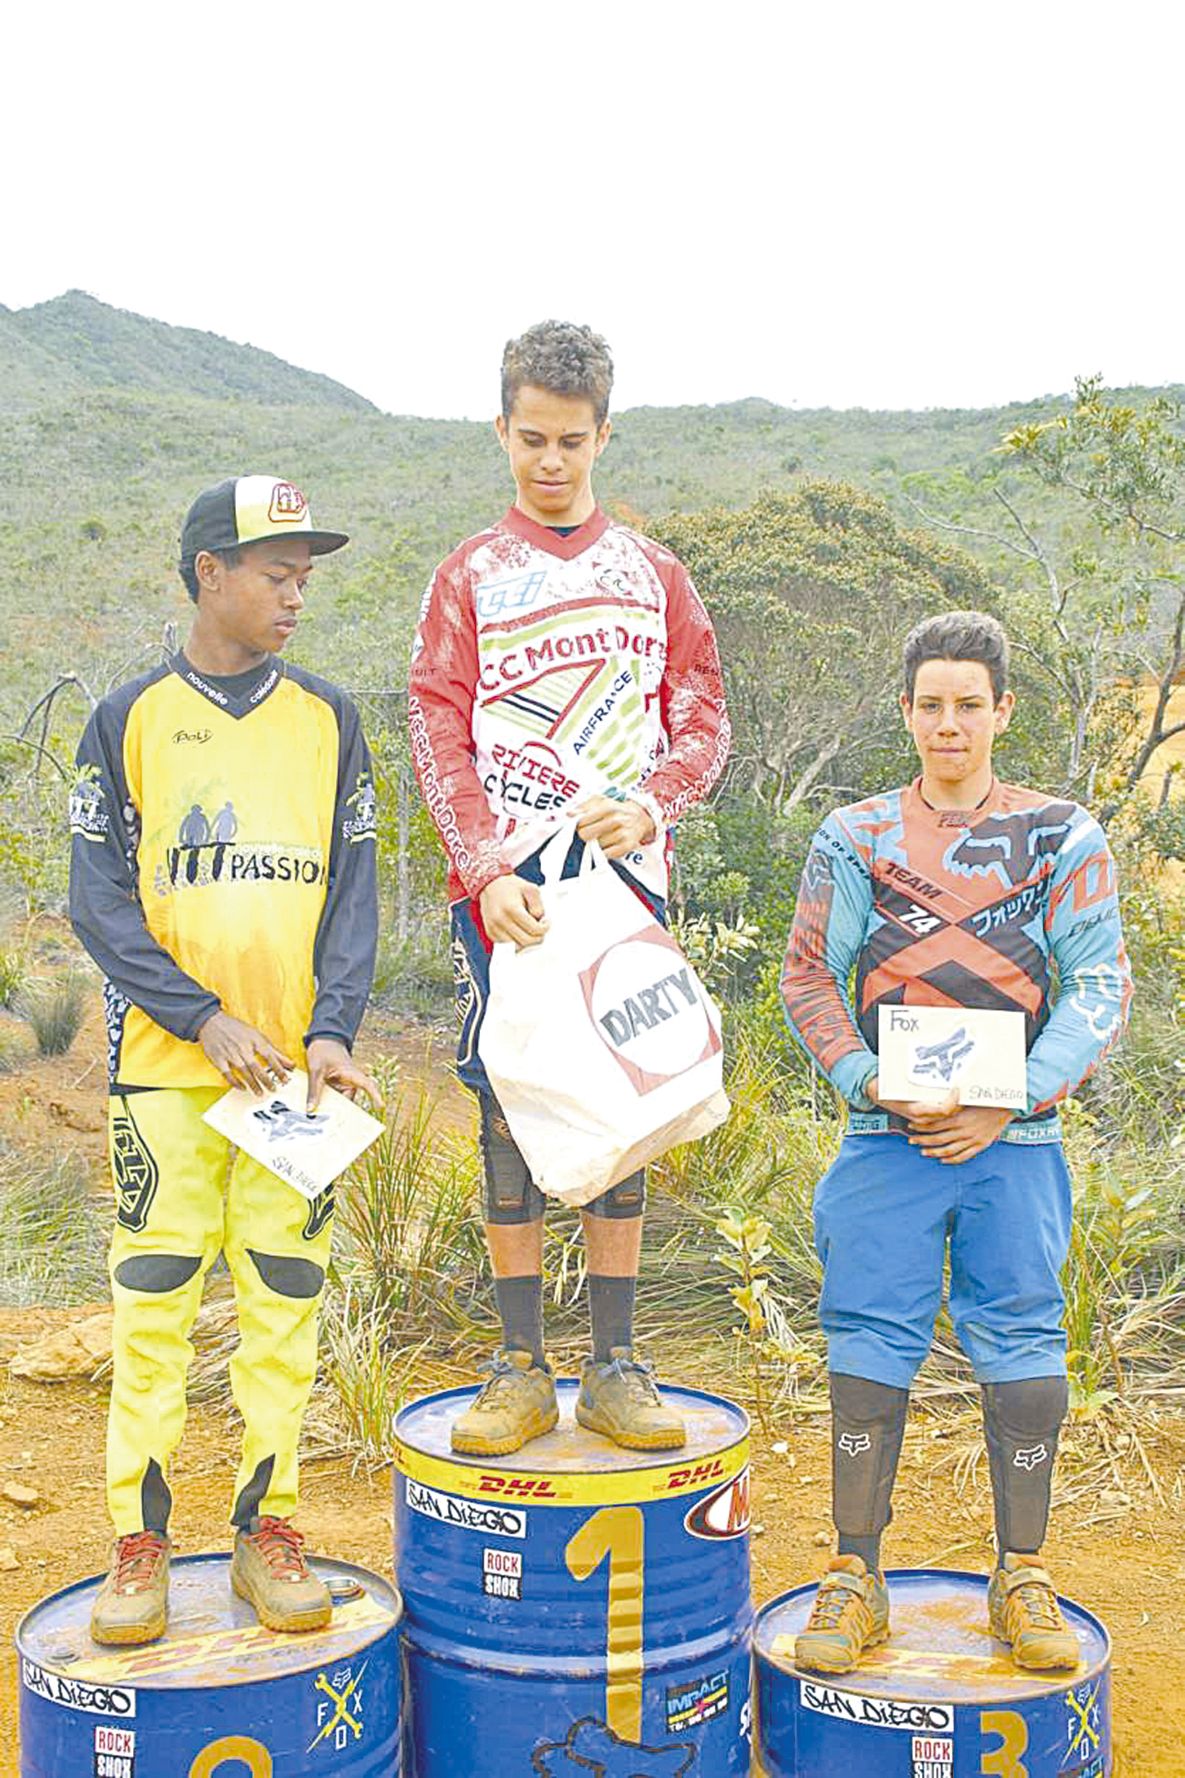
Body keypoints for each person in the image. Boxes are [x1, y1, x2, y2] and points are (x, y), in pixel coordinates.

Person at [781, 609, 1131, 1675]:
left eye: (968, 705)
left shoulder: (1063, 834)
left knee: (1023, 1343)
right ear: (905, 711)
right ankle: (853, 1574)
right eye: (930, 704)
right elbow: (808, 975)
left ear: (1002, 711)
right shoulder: (855, 835)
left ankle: (1022, 1571)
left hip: (1018, 1143)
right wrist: (864, 1075)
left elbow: (1100, 981)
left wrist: (1013, 1096)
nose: (949, 724)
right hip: (884, 1137)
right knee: (867, 1339)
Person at [409, 320, 729, 1457]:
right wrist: (485, 865)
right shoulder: (469, 575)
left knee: (625, 1098)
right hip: (507, 888)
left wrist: (656, 804)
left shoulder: (653, 572)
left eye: (572, 442)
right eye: (531, 438)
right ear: (502, 430)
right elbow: (434, 721)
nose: (551, 461)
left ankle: (615, 1362)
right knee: (510, 1098)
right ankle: (516, 1364)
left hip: (624, 879)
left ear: (603, 436)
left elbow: (704, 710)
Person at [70, 475, 379, 1646]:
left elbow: (356, 892)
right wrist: (201, 1017)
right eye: (275, 570)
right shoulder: (130, 716)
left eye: (306, 573)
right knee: (152, 1304)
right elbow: (96, 900)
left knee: (283, 1304)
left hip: (294, 1086)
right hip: (164, 1070)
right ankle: (138, 1548)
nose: (297, 591)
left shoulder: (330, 716)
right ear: (210, 572)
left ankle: (267, 1530)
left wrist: (333, 1030)